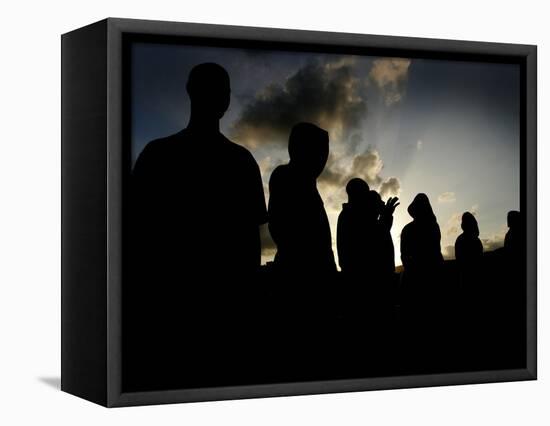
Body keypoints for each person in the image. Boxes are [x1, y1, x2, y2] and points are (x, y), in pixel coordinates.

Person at [126, 63, 268, 390]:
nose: (221, 96)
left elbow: (250, 245)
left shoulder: (158, 155)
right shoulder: (238, 161)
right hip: (175, 312)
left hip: (201, 313)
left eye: (223, 89)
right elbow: (137, 237)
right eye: (219, 88)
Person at [268, 122, 336, 276]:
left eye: (324, 152)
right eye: (319, 150)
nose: (323, 159)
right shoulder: (285, 176)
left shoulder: (308, 184)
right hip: (299, 272)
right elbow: (280, 228)